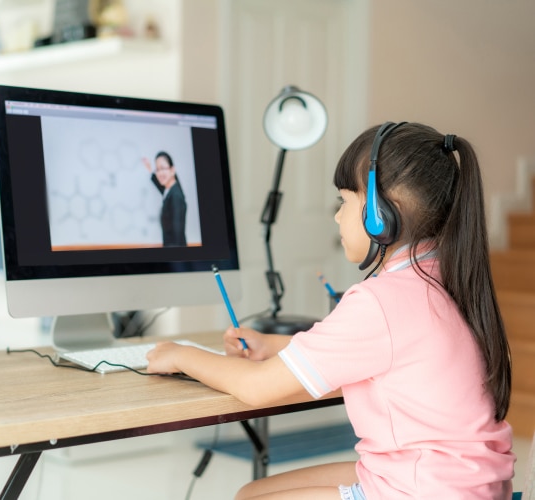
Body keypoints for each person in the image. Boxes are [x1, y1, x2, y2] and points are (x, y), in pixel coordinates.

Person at [146, 122, 515, 499]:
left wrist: (180, 353)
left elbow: (256, 388)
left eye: (344, 201)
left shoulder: (380, 300)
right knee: (250, 493)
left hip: (423, 488)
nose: (337, 216)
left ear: (381, 212)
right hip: (459, 480)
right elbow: (379, 354)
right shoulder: (439, 276)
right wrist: (274, 346)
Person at [142, 151, 187, 247]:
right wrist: (150, 169)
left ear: (172, 170)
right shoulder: (169, 190)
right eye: (157, 169)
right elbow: (161, 187)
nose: (159, 173)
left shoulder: (176, 197)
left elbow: (177, 237)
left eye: (162, 168)